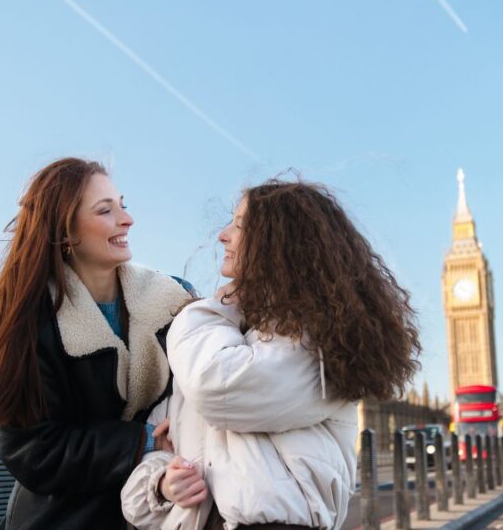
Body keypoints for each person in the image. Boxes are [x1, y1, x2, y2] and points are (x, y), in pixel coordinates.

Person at [122, 178, 422, 529]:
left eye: (239, 225)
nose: (223, 235)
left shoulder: (317, 344)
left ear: (279, 243)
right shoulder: (226, 341)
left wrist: (208, 307)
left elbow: (216, 385)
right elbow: (137, 493)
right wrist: (162, 485)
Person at [0, 158, 192, 529]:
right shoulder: (31, 323)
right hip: (67, 518)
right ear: (66, 232)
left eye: (123, 205)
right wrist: (143, 442)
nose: (127, 220)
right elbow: (35, 451)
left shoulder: (175, 300)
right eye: (105, 210)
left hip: (164, 506)